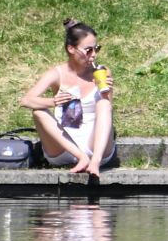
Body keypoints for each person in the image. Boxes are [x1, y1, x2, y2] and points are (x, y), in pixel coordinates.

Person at [21, 19, 117, 175]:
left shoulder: (102, 72)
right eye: (88, 50)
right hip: (63, 147)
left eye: (96, 49)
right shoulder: (57, 73)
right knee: (38, 111)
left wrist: (107, 93)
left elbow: (108, 112)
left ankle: (94, 162)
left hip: (95, 146)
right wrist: (52, 101)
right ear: (71, 49)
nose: (93, 55)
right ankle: (81, 158)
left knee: (104, 105)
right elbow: (26, 100)